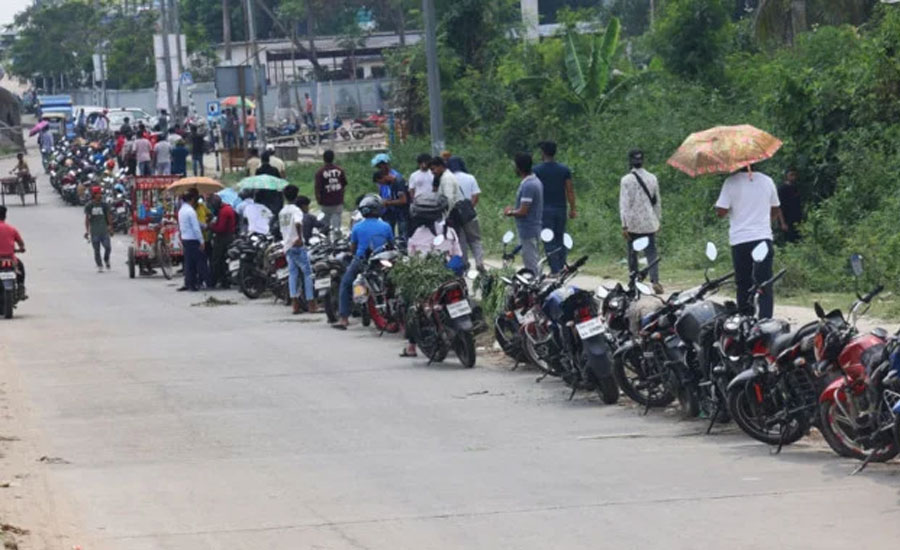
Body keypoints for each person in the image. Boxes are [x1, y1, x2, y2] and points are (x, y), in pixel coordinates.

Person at [715, 165, 783, 319]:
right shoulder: (767, 181)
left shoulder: (730, 182)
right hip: (762, 238)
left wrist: (722, 208)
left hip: (741, 240)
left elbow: (721, 211)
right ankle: (765, 321)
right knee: (764, 282)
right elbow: (776, 208)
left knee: (743, 282)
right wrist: (765, 222)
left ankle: (745, 318)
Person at [401, 205, 464, 358]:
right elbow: (458, 254)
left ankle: (411, 346)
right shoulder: (450, 231)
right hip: (451, 277)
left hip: (426, 279)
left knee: (411, 305)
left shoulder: (416, 234)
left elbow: (411, 260)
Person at [332, 195, 394, 330]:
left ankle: (344, 319)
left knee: (346, 284)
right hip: (382, 260)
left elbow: (353, 248)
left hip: (362, 260)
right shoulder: (386, 226)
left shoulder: (357, 227)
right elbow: (391, 244)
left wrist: (354, 253)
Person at [619, 149, 663, 293]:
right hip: (649, 222)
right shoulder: (652, 178)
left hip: (633, 224)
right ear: (643, 160)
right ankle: (655, 280)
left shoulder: (626, 180)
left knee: (633, 254)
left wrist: (624, 225)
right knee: (651, 253)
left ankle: (634, 282)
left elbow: (624, 204)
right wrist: (658, 220)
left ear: (630, 161)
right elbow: (657, 202)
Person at [533, 141, 576, 273]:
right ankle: (562, 264)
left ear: (543, 153)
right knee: (559, 238)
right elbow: (569, 190)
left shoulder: (536, 170)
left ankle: (555, 268)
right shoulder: (564, 170)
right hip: (560, 209)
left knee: (548, 239)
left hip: (544, 210)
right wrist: (573, 208)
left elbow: (534, 191)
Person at [279, 185, 318, 314]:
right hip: (297, 245)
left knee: (293, 275)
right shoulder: (296, 210)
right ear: (296, 195)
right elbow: (298, 223)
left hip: (287, 245)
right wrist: (300, 238)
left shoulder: (282, 211)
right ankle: (311, 303)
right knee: (307, 273)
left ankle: (295, 304)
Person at [504, 152, 543, 275]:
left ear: (519, 167)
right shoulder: (535, 181)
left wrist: (510, 212)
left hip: (528, 228)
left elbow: (523, 211)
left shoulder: (528, 185)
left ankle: (535, 286)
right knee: (534, 259)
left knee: (530, 262)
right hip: (534, 226)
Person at [447, 157, 485, 272]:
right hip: (470, 217)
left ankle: (464, 264)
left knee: (461, 241)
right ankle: (479, 262)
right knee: (475, 240)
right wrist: (468, 209)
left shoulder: (448, 179)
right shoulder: (470, 177)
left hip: (455, 217)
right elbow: (476, 196)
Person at [372, 153, 409, 240]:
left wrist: (388, 202)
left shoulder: (397, 179)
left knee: (402, 234)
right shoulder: (388, 181)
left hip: (401, 211)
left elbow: (403, 200)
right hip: (389, 210)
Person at [314, 149, 348, 237]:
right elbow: (344, 185)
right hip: (338, 200)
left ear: (323, 159)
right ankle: (337, 240)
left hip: (325, 201)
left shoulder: (320, 172)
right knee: (337, 223)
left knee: (325, 223)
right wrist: (342, 197)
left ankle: (326, 240)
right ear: (333, 158)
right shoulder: (340, 170)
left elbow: (317, 188)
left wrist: (318, 200)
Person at [207, 194, 237, 289]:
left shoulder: (224, 211)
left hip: (223, 238)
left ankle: (214, 281)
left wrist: (210, 226)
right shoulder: (228, 208)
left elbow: (220, 228)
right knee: (224, 260)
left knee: (216, 260)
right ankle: (225, 281)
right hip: (229, 236)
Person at [177, 189, 204, 292]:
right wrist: (201, 241)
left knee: (188, 263)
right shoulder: (191, 211)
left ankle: (188, 283)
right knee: (197, 262)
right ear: (192, 199)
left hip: (185, 239)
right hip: (193, 239)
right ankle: (195, 283)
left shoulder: (181, 210)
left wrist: (204, 225)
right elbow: (196, 228)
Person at [83, 186, 113, 271]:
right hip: (94, 231)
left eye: (100, 193)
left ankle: (106, 259)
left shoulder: (104, 205)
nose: (100, 195)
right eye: (98, 193)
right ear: (94, 195)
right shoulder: (89, 206)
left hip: (104, 230)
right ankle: (99, 265)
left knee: (108, 247)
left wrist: (110, 227)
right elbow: (87, 219)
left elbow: (108, 216)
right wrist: (87, 231)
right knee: (97, 250)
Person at [0, 206, 26, 297]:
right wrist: (21, 249)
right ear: (5, 216)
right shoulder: (12, 229)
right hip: (11, 259)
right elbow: (21, 244)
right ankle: (20, 287)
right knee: (21, 267)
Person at [777, 168, 801, 243]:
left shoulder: (796, 187)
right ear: (786, 176)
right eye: (791, 175)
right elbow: (779, 207)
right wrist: (782, 223)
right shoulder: (782, 189)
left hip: (797, 219)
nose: (793, 177)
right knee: (789, 241)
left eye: (794, 175)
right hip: (787, 220)